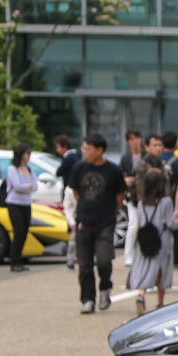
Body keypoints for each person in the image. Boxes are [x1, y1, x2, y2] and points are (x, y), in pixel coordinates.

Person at [67, 133, 127, 314]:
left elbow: (120, 195)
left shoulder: (113, 171)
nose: (84, 151)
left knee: (104, 261)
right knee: (84, 265)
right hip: (84, 222)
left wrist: (112, 212)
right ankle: (88, 299)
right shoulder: (79, 168)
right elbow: (76, 193)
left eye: (88, 148)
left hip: (105, 222)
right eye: (83, 148)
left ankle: (105, 290)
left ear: (100, 150)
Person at [123, 163, 177, 314]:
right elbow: (171, 223)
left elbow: (140, 221)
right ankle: (160, 303)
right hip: (162, 239)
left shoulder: (141, 202)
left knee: (145, 268)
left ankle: (141, 294)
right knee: (161, 270)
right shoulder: (166, 202)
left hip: (145, 239)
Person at [3, 144, 39, 271]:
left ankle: (19, 259)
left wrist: (27, 187)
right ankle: (14, 261)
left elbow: (35, 185)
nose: (28, 156)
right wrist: (26, 187)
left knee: (24, 231)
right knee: (18, 231)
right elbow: (17, 186)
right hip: (14, 203)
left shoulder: (29, 169)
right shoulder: (12, 168)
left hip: (26, 203)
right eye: (26, 153)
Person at [54, 134, 79, 270]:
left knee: (74, 228)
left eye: (58, 147)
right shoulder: (76, 157)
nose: (57, 150)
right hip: (73, 194)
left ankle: (71, 258)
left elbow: (59, 172)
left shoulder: (68, 159)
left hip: (71, 194)